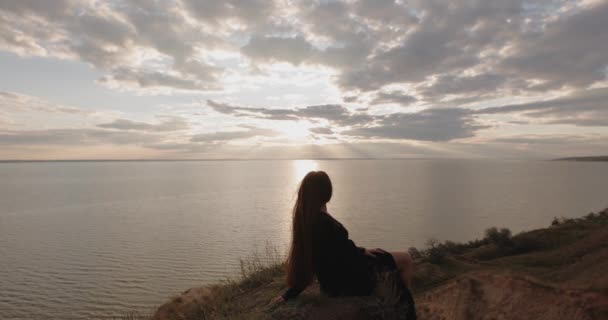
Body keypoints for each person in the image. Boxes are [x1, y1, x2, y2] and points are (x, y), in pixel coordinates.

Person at [269, 171, 415, 311]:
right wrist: (362, 253)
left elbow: (324, 255)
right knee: (405, 259)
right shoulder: (324, 223)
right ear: (327, 193)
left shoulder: (307, 222)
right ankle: (405, 309)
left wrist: (288, 294)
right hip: (350, 281)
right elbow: (346, 254)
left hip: (331, 284)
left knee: (386, 257)